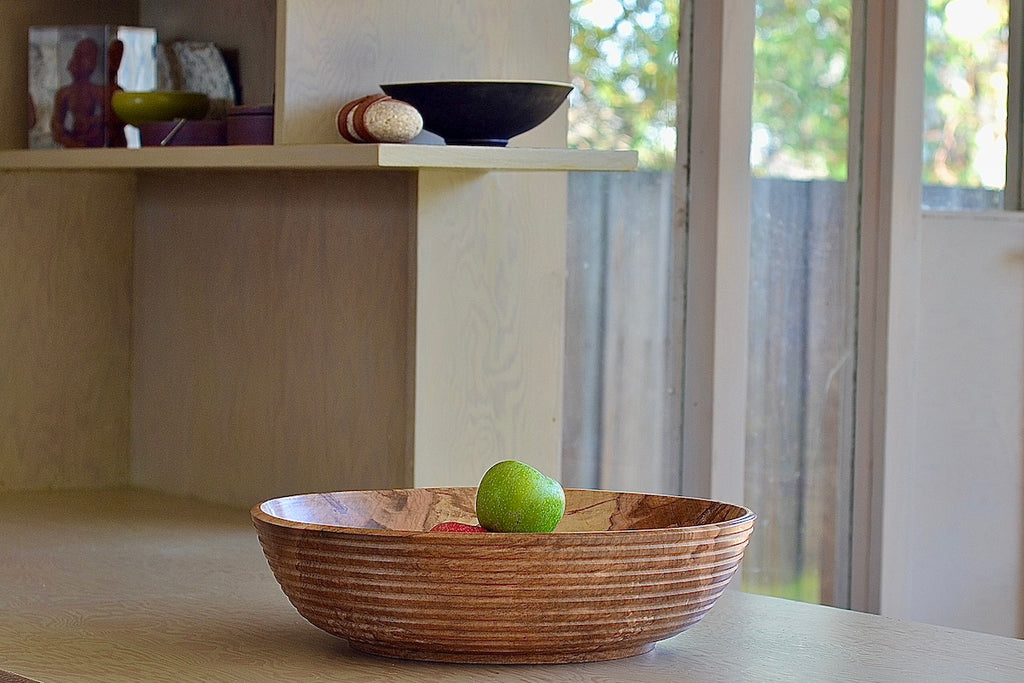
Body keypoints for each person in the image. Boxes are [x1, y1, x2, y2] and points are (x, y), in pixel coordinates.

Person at [51, 37, 111, 147]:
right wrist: (72, 142)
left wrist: (92, 122)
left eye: (84, 56)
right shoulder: (64, 93)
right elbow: (56, 127)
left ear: (94, 63)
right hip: (73, 146)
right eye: (76, 56)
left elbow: (110, 123)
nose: (77, 61)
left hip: (97, 147)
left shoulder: (100, 92)